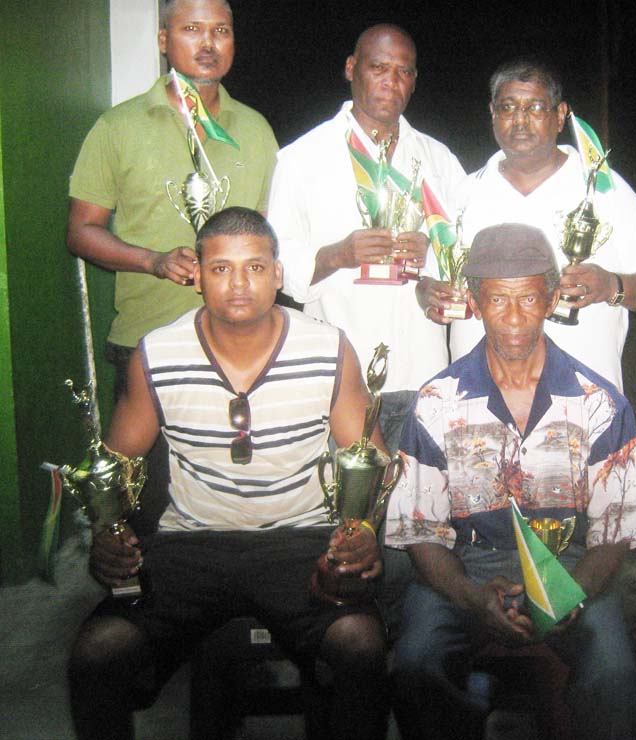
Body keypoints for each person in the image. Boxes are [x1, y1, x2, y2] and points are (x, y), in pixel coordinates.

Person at [67, 207, 390, 740]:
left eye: (255, 267)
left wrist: (366, 534)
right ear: (196, 274)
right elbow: (116, 466)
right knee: (96, 654)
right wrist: (106, 534)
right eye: (220, 269)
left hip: (299, 540)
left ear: (278, 275)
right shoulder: (157, 353)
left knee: (361, 647)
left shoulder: (327, 347)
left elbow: (369, 458)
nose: (239, 284)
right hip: (193, 543)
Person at [387, 223, 636, 740]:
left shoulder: (599, 402)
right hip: (463, 568)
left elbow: (618, 528)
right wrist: (470, 598)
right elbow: (419, 530)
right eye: (497, 301)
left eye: (529, 299)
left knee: (616, 678)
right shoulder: (437, 401)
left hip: (572, 568)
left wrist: (569, 596)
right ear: (474, 301)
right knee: (415, 666)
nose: (514, 318)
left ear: (552, 298)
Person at [419, 58, 636, 391]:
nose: (521, 120)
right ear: (493, 114)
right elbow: (428, 280)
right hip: (478, 402)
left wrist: (612, 286)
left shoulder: (603, 189)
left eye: (536, 107)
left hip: (584, 399)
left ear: (560, 115)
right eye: (508, 107)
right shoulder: (464, 194)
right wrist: (428, 293)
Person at [268, 23, 469, 452]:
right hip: (338, 369)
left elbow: (465, 246)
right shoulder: (302, 158)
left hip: (423, 367)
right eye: (379, 67)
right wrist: (340, 254)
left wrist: (433, 252)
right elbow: (278, 262)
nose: (391, 82)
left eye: (404, 71)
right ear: (351, 69)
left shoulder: (437, 159)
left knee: (419, 509)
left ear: (414, 81)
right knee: (349, 507)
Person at [67, 0, 278, 397]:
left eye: (221, 31)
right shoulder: (118, 126)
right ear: (164, 39)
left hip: (243, 340)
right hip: (148, 338)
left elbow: (266, 234)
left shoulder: (256, 129)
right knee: (144, 460)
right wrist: (154, 261)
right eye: (192, 29)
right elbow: (80, 231)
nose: (208, 43)